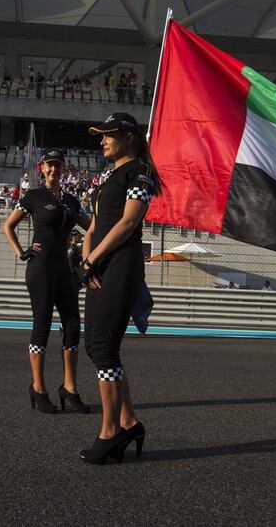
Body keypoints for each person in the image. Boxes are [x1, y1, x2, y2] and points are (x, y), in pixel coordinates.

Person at [78, 112, 163, 464]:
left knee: (104, 347)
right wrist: (86, 257)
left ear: (128, 137)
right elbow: (95, 225)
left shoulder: (139, 172)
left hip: (121, 266)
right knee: (97, 348)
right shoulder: (110, 177)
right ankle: (129, 422)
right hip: (100, 265)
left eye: (108, 135)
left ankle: (111, 431)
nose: (102, 141)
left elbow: (129, 221)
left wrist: (92, 259)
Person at [3, 150, 92, 414]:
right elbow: (8, 226)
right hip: (40, 268)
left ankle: (70, 388)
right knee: (42, 325)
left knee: (73, 325)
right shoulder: (33, 196)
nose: (54, 169)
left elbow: (93, 226)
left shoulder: (73, 201)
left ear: (64, 168)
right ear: (42, 168)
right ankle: (38, 388)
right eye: (49, 165)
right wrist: (21, 252)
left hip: (65, 270)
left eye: (58, 165)